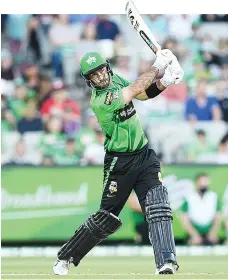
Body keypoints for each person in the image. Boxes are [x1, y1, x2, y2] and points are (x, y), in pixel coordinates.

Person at [52, 49, 184, 276]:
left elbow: (142, 94)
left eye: (102, 70)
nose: (101, 77)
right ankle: (66, 257)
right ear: (89, 80)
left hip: (144, 155)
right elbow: (133, 90)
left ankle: (166, 262)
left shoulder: (116, 80)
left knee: (158, 207)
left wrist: (166, 81)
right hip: (119, 162)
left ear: (107, 68)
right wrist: (157, 66)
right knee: (106, 217)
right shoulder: (99, 101)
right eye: (94, 75)